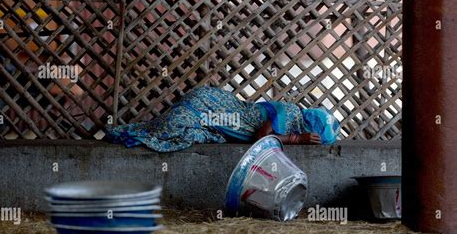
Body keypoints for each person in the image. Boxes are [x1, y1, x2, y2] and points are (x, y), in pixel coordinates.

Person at [105, 86, 340, 152]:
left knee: (182, 133)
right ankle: (122, 132)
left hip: (219, 121)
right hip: (209, 104)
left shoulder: (293, 118)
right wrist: (297, 140)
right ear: (311, 128)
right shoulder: (289, 113)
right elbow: (261, 138)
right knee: (166, 129)